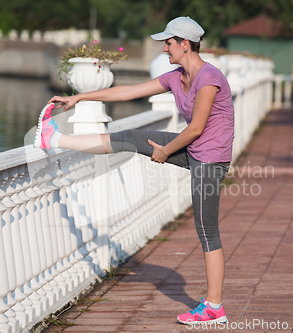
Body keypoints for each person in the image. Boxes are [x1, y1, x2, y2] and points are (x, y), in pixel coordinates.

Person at [34, 16, 234, 325]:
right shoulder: (176, 77)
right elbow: (127, 92)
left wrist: (165, 151)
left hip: (210, 160)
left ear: (184, 44)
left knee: (207, 229)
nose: (164, 49)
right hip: (193, 151)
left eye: (168, 43)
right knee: (130, 138)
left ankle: (214, 307)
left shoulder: (209, 77)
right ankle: (55, 138)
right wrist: (79, 97)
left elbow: (196, 128)